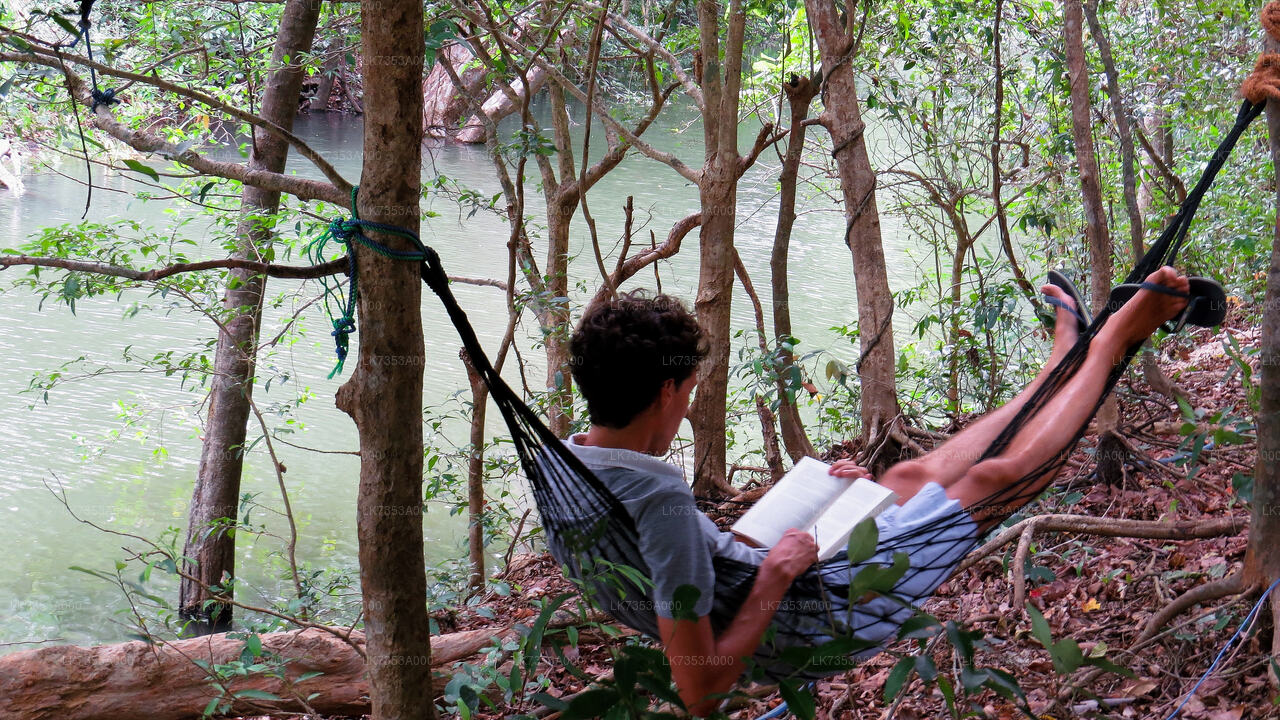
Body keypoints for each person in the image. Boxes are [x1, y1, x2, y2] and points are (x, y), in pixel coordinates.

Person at [562, 267, 1191, 715]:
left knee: (905, 480)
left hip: (772, 577)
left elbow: (694, 557)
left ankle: (1063, 363)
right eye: (691, 391)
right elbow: (700, 691)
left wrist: (803, 503)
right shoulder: (661, 499)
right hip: (817, 614)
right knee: (995, 482)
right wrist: (778, 575)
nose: (688, 406)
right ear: (668, 391)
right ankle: (1108, 344)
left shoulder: (571, 462)